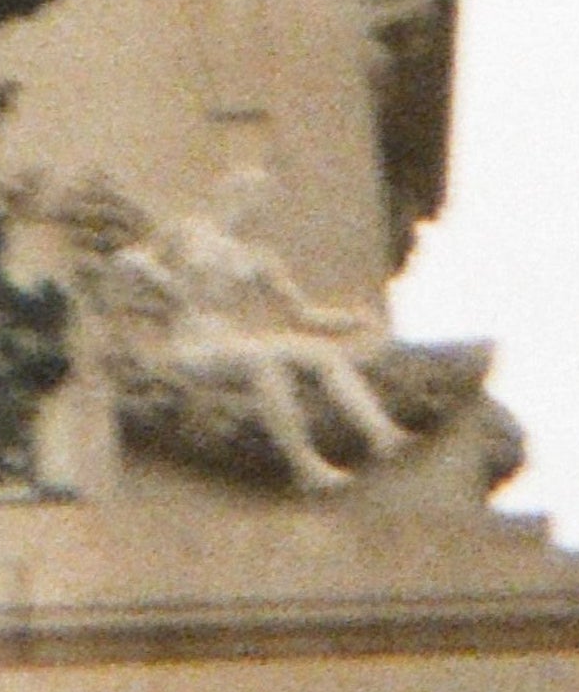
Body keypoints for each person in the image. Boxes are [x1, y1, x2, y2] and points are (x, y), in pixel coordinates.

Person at [119, 165, 406, 492]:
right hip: (193, 341)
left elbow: (303, 314)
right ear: (232, 196)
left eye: (261, 204)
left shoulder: (257, 257)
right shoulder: (187, 231)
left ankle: (381, 433)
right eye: (253, 199)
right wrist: (167, 284)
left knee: (320, 351)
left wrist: (353, 319)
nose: (255, 210)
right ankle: (305, 464)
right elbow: (132, 260)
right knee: (262, 362)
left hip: (231, 338)